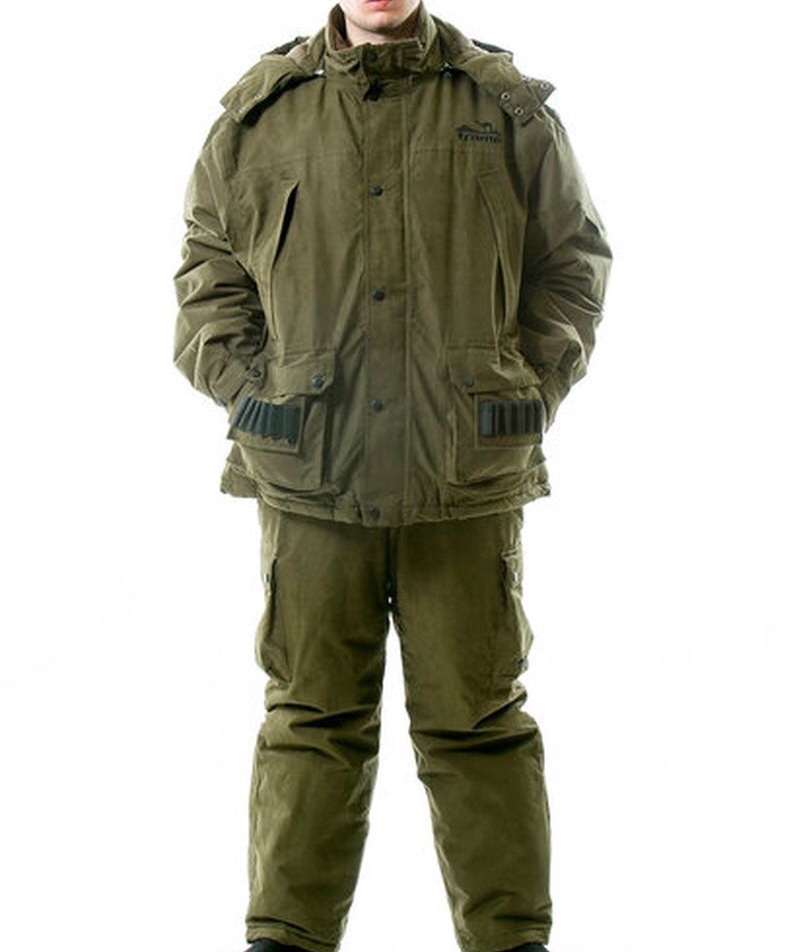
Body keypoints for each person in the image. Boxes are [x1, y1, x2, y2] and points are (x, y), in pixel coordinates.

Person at [173, 2, 612, 951]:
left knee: (476, 719)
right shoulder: (258, 116)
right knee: (310, 718)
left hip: (464, 473)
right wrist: (251, 395)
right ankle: (284, 939)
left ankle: (510, 941)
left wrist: (525, 388)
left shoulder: (506, 108)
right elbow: (207, 280)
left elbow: (572, 264)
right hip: (310, 475)